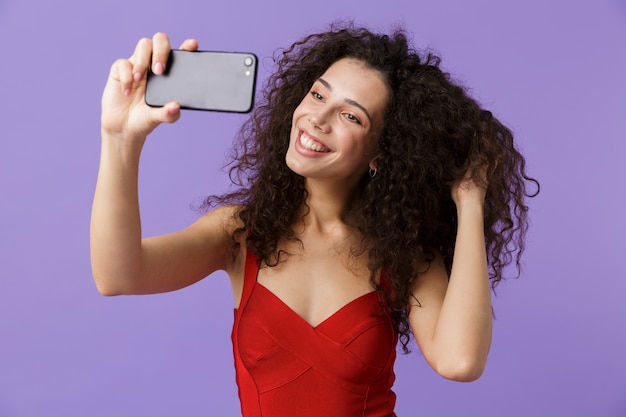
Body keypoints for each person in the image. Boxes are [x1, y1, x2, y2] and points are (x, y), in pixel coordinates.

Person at [91, 24, 538, 417]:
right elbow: (118, 275)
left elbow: (460, 362)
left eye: (350, 115)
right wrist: (119, 139)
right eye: (318, 94)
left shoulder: (404, 257)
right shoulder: (242, 232)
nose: (317, 118)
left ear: (383, 153)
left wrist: (470, 196)